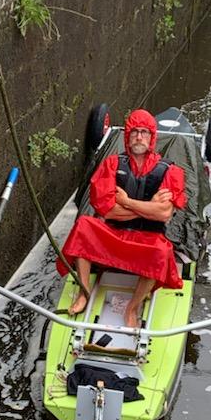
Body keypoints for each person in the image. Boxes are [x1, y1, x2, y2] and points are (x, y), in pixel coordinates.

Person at [57, 108, 187, 328]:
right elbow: (106, 211)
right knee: (84, 225)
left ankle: (132, 307)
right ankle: (84, 292)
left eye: (144, 132)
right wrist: (149, 207)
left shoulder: (170, 171)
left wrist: (126, 202)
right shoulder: (111, 164)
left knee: (162, 250)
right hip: (113, 234)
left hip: (148, 237)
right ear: (127, 136)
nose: (139, 137)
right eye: (135, 131)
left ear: (152, 137)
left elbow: (164, 213)